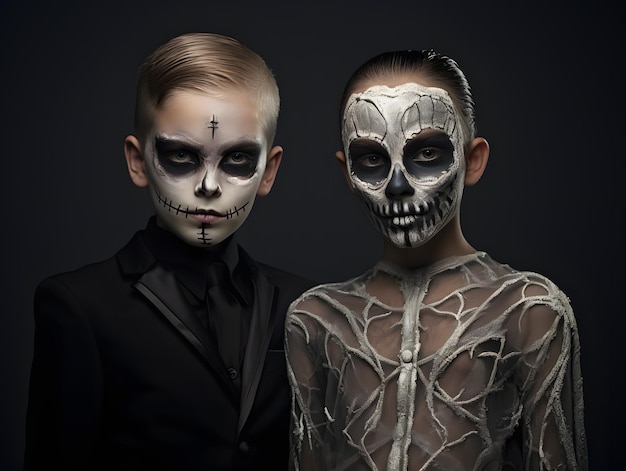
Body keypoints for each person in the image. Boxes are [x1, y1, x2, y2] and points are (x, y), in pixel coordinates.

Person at [24, 32, 315, 470]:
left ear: (269, 170)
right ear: (138, 161)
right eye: (181, 156)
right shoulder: (81, 307)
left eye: (237, 159)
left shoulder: (306, 306)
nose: (208, 186)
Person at [284, 49, 587, 470]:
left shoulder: (529, 310)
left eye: (426, 153)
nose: (395, 186)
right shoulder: (315, 319)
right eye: (372, 159)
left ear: (473, 160)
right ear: (346, 173)